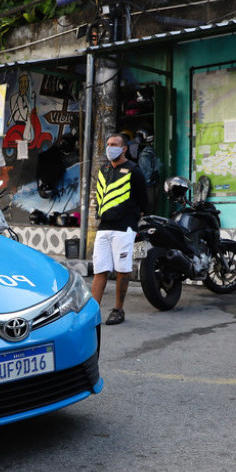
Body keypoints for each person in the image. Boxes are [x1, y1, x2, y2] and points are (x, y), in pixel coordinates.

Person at [92, 132, 148, 326]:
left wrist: (136, 218)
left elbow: (144, 200)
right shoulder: (103, 170)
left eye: (114, 144)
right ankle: (93, 311)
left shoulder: (134, 170)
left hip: (124, 228)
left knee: (123, 270)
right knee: (100, 269)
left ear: (124, 148)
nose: (110, 147)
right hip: (104, 228)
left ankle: (118, 309)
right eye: (108, 143)